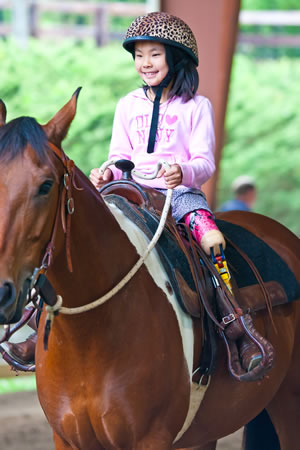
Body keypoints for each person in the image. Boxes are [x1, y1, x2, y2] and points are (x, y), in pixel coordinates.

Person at [7, 12, 261, 372]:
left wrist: (182, 171)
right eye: (139, 55)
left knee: (212, 239)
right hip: (128, 191)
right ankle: (37, 325)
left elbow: (204, 161)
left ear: (176, 57)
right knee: (74, 238)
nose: (145, 63)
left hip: (179, 195)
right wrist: (106, 170)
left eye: (154, 54)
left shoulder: (197, 107)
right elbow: (119, 155)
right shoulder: (128, 105)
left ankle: (235, 321)